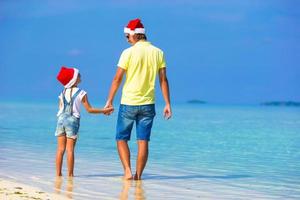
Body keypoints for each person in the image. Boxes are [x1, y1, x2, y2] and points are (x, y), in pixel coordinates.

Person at [104, 18, 172, 180]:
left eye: (127, 36)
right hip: (148, 104)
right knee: (143, 141)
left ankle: (127, 171)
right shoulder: (158, 52)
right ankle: (138, 176)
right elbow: (163, 79)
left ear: (136, 35)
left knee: (121, 138)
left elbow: (117, 79)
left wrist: (109, 100)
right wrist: (167, 103)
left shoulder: (127, 53)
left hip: (128, 103)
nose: (127, 39)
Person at [55, 66, 113, 177]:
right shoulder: (81, 93)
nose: (80, 76)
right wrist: (104, 110)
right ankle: (70, 175)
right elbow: (89, 110)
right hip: (72, 121)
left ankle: (58, 175)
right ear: (74, 79)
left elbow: (60, 109)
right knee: (70, 150)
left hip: (60, 120)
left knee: (60, 149)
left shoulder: (62, 93)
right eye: (78, 75)